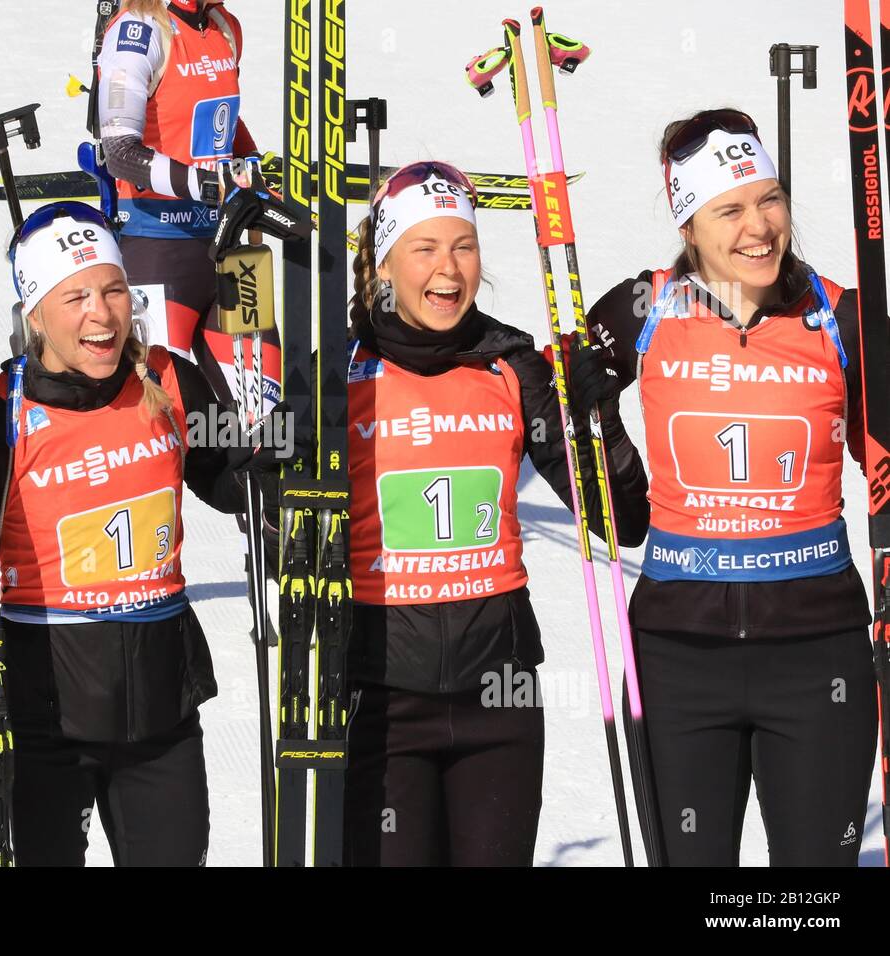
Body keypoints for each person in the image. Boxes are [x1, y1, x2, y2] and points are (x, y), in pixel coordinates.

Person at [583, 109, 878, 866]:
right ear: (688, 225)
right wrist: (593, 418)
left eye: (770, 198)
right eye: (731, 209)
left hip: (820, 656)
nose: (760, 226)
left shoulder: (841, 316)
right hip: (677, 657)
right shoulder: (641, 311)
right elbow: (601, 497)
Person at [340, 162, 650, 866]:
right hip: (382, 699)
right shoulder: (341, 375)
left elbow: (620, 519)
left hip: (499, 697)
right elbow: (271, 519)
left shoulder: (511, 367)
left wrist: (600, 417)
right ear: (385, 262)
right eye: (425, 248)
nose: (449, 269)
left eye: (464, 246)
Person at [0, 201, 285, 865]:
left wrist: (281, 454)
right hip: (46, 714)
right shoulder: (1, 412)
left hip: (162, 711)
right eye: (76, 295)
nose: (102, 312)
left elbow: (232, 478)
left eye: (114, 288)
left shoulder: (169, 378)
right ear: (35, 313)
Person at [96, 0, 277, 409]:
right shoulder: (137, 30)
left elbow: (225, 120)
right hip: (159, 248)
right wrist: (208, 184)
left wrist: (254, 167)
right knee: (165, 420)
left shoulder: (224, 26)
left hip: (229, 247)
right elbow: (121, 152)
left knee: (266, 418)